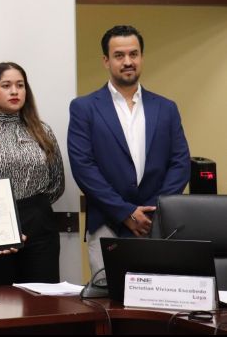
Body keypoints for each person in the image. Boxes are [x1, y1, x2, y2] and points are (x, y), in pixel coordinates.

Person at [68, 25, 190, 276]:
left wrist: (155, 211)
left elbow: (180, 163)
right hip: (107, 222)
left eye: (133, 54)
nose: (127, 62)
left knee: (156, 301)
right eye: (119, 55)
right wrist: (125, 212)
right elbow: (83, 167)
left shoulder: (166, 108)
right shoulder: (84, 108)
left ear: (142, 57)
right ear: (106, 60)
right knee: (110, 302)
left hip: (154, 223)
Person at [0, 63, 65, 285]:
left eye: (20, 85)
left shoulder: (42, 130)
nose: (14, 91)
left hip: (39, 221)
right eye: (6, 85)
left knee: (43, 300)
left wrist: (31, 209)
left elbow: (57, 182)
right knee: (2, 301)